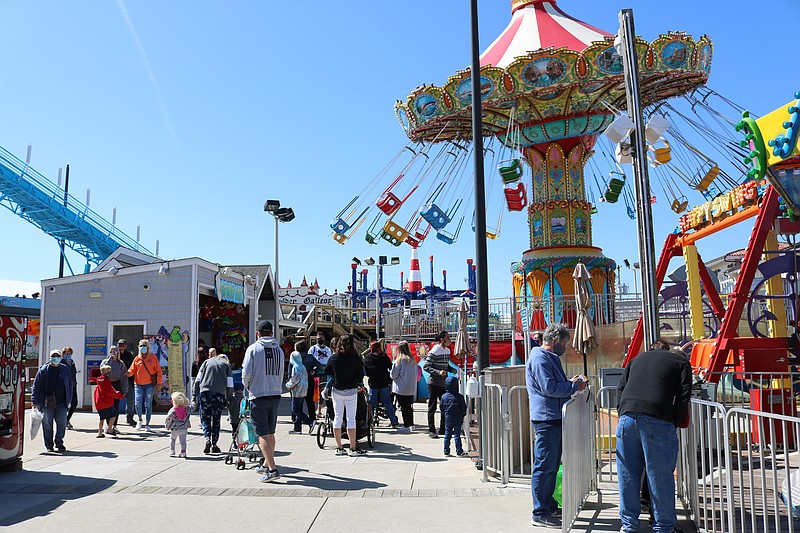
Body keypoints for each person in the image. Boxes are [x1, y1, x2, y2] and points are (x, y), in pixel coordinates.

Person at [616, 339, 692, 533]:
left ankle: (628, 526)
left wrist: (622, 413)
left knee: (628, 475)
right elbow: (684, 397)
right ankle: (664, 528)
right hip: (657, 419)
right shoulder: (681, 363)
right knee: (660, 477)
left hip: (626, 418)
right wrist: (674, 421)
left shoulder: (636, 359)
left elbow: (621, 389)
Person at [526, 323, 587, 529]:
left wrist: (570, 383)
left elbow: (551, 385)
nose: (565, 348)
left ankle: (548, 505)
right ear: (553, 341)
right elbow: (549, 388)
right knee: (544, 466)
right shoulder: (541, 358)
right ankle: (540, 511)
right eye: (564, 344)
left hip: (552, 417)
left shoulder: (547, 358)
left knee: (550, 466)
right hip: (547, 419)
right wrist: (573, 386)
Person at [243, 320, 285, 483]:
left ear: (258, 333)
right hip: (275, 393)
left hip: (259, 394)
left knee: (262, 433)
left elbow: (247, 372)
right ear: (272, 333)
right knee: (270, 431)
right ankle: (267, 463)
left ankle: (273, 469)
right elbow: (282, 372)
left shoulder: (254, 349)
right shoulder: (279, 350)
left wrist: (248, 386)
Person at [324, 334, 366, 456]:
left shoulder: (334, 358)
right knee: (351, 419)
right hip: (351, 391)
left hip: (337, 390)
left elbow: (327, 370)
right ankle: (353, 448)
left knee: (337, 418)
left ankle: (339, 447)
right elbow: (360, 375)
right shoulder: (355, 358)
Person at [31, 349, 74, 452]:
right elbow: (36, 386)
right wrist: (35, 401)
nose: (56, 358)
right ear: (50, 357)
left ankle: (59, 442)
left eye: (57, 356)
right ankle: (49, 445)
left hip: (61, 403)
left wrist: (69, 398)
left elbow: (70, 384)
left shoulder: (65, 369)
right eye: (53, 356)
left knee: (62, 424)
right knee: (47, 425)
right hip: (46, 402)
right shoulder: (43, 370)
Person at [192, 348, 232, 454]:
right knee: (216, 419)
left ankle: (207, 438)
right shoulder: (226, 365)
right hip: (219, 394)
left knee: (205, 417)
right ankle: (214, 444)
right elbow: (230, 384)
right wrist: (229, 398)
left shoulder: (206, 362)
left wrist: (194, 396)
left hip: (205, 393)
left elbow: (197, 380)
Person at [127, 339, 163, 431]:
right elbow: (132, 369)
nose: (143, 348)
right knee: (137, 403)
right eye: (141, 346)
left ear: (148, 347)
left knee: (148, 404)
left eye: (145, 346)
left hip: (150, 385)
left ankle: (147, 424)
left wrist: (159, 383)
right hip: (138, 384)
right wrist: (127, 373)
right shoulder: (137, 358)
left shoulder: (153, 357)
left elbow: (159, 371)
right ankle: (139, 420)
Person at [363, 340, 399, 428]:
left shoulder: (368, 358)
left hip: (373, 383)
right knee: (387, 402)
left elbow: (366, 371)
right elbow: (390, 366)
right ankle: (393, 421)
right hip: (384, 383)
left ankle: (369, 421)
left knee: (372, 404)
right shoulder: (384, 356)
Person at [423, 330, 451, 438]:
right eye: (448, 337)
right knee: (432, 407)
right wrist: (438, 372)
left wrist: (452, 370)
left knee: (444, 407)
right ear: (442, 339)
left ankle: (443, 428)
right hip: (434, 383)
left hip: (443, 383)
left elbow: (445, 366)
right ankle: (431, 430)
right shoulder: (434, 351)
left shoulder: (447, 351)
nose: (449, 339)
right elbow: (426, 366)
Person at [286, 342, 314, 434]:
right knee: (299, 408)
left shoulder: (296, 367)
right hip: (303, 390)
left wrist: (288, 385)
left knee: (295, 409)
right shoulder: (303, 367)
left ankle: (309, 421)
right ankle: (297, 428)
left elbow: (294, 380)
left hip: (297, 391)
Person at [390, 341, 417, 433]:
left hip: (401, 388)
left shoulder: (399, 361)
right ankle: (411, 424)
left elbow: (393, 375)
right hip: (411, 387)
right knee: (409, 406)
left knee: (404, 407)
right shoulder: (412, 360)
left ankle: (406, 425)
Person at [101, 346, 129, 433]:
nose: (113, 352)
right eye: (111, 351)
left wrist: (124, 390)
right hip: (107, 384)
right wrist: (110, 359)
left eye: (115, 351)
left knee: (115, 407)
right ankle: (108, 425)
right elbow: (103, 370)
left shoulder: (121, 363)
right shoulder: (105, 362)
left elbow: (124, 377)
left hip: (116, 384)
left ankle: (114, 426)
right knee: (107, 406)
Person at [94, 365, 125, 438]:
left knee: (102, 418)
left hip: (99, 402)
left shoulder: (99, 381)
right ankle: (110, 429)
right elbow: (110, 392)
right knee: (113, 415)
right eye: (107, 371)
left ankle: (100, 432)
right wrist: (119, 395)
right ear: (103, 372)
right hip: (107, 402)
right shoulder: (106, 381)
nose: (109, 373)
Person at [441, 375, 468, 457]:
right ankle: (459, 450)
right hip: (458, 418)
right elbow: (463, 407)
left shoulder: (444, 396)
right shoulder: (459, 397)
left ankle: (446, 450)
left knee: (447, 434)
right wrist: (463, 414)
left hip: (448, 418)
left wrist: (445, 413)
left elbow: (442, 407)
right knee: (457, 435)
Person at [309, 332, 333, 419]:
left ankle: (319, 411)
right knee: (314, 392)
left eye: (321, 338)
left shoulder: (328, 350)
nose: (319, 340)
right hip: (315, 373)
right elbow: (309, 360)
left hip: (324, 373)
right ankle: (313, 411)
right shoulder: (313, 349)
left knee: (323, 392)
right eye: (318, 338)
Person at [300, 339, 324, 426]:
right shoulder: (310, 357)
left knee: (298, 402)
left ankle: (297, 421)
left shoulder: (296, 356)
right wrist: (314, 371)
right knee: (310, 401)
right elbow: (320, 366)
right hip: (309, 379)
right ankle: (312, 417)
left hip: (298, 381)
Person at [165, 391, 192, 458]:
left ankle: (172, 451)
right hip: (183, 428)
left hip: (175, 428)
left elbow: (168, 419)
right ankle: (183, 452)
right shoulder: (187, 409)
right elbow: (192, 408)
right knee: (183, 441)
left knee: (173, 439)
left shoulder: (173, 411)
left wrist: (167, 426)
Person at [117, 339, 136, 426]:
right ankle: (113, 418)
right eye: (119, 345)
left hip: (128, 380)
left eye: (122, 345)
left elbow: (133, 366)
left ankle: (130, 418)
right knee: (115, 401)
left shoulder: (129, 355)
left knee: (130, 399)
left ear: (125, 346)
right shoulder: (114, 355)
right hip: (117, 381)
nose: (121, 347)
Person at [61, 346, 78, 430]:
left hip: (73, 385)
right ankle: (63, 420)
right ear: (63, 354)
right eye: (67, 354)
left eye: (70, 354)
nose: (68, 355)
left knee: (74, 403)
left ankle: (67, 419)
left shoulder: (72, 362)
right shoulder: (61, 363)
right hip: (64, 386)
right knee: (64, 404)